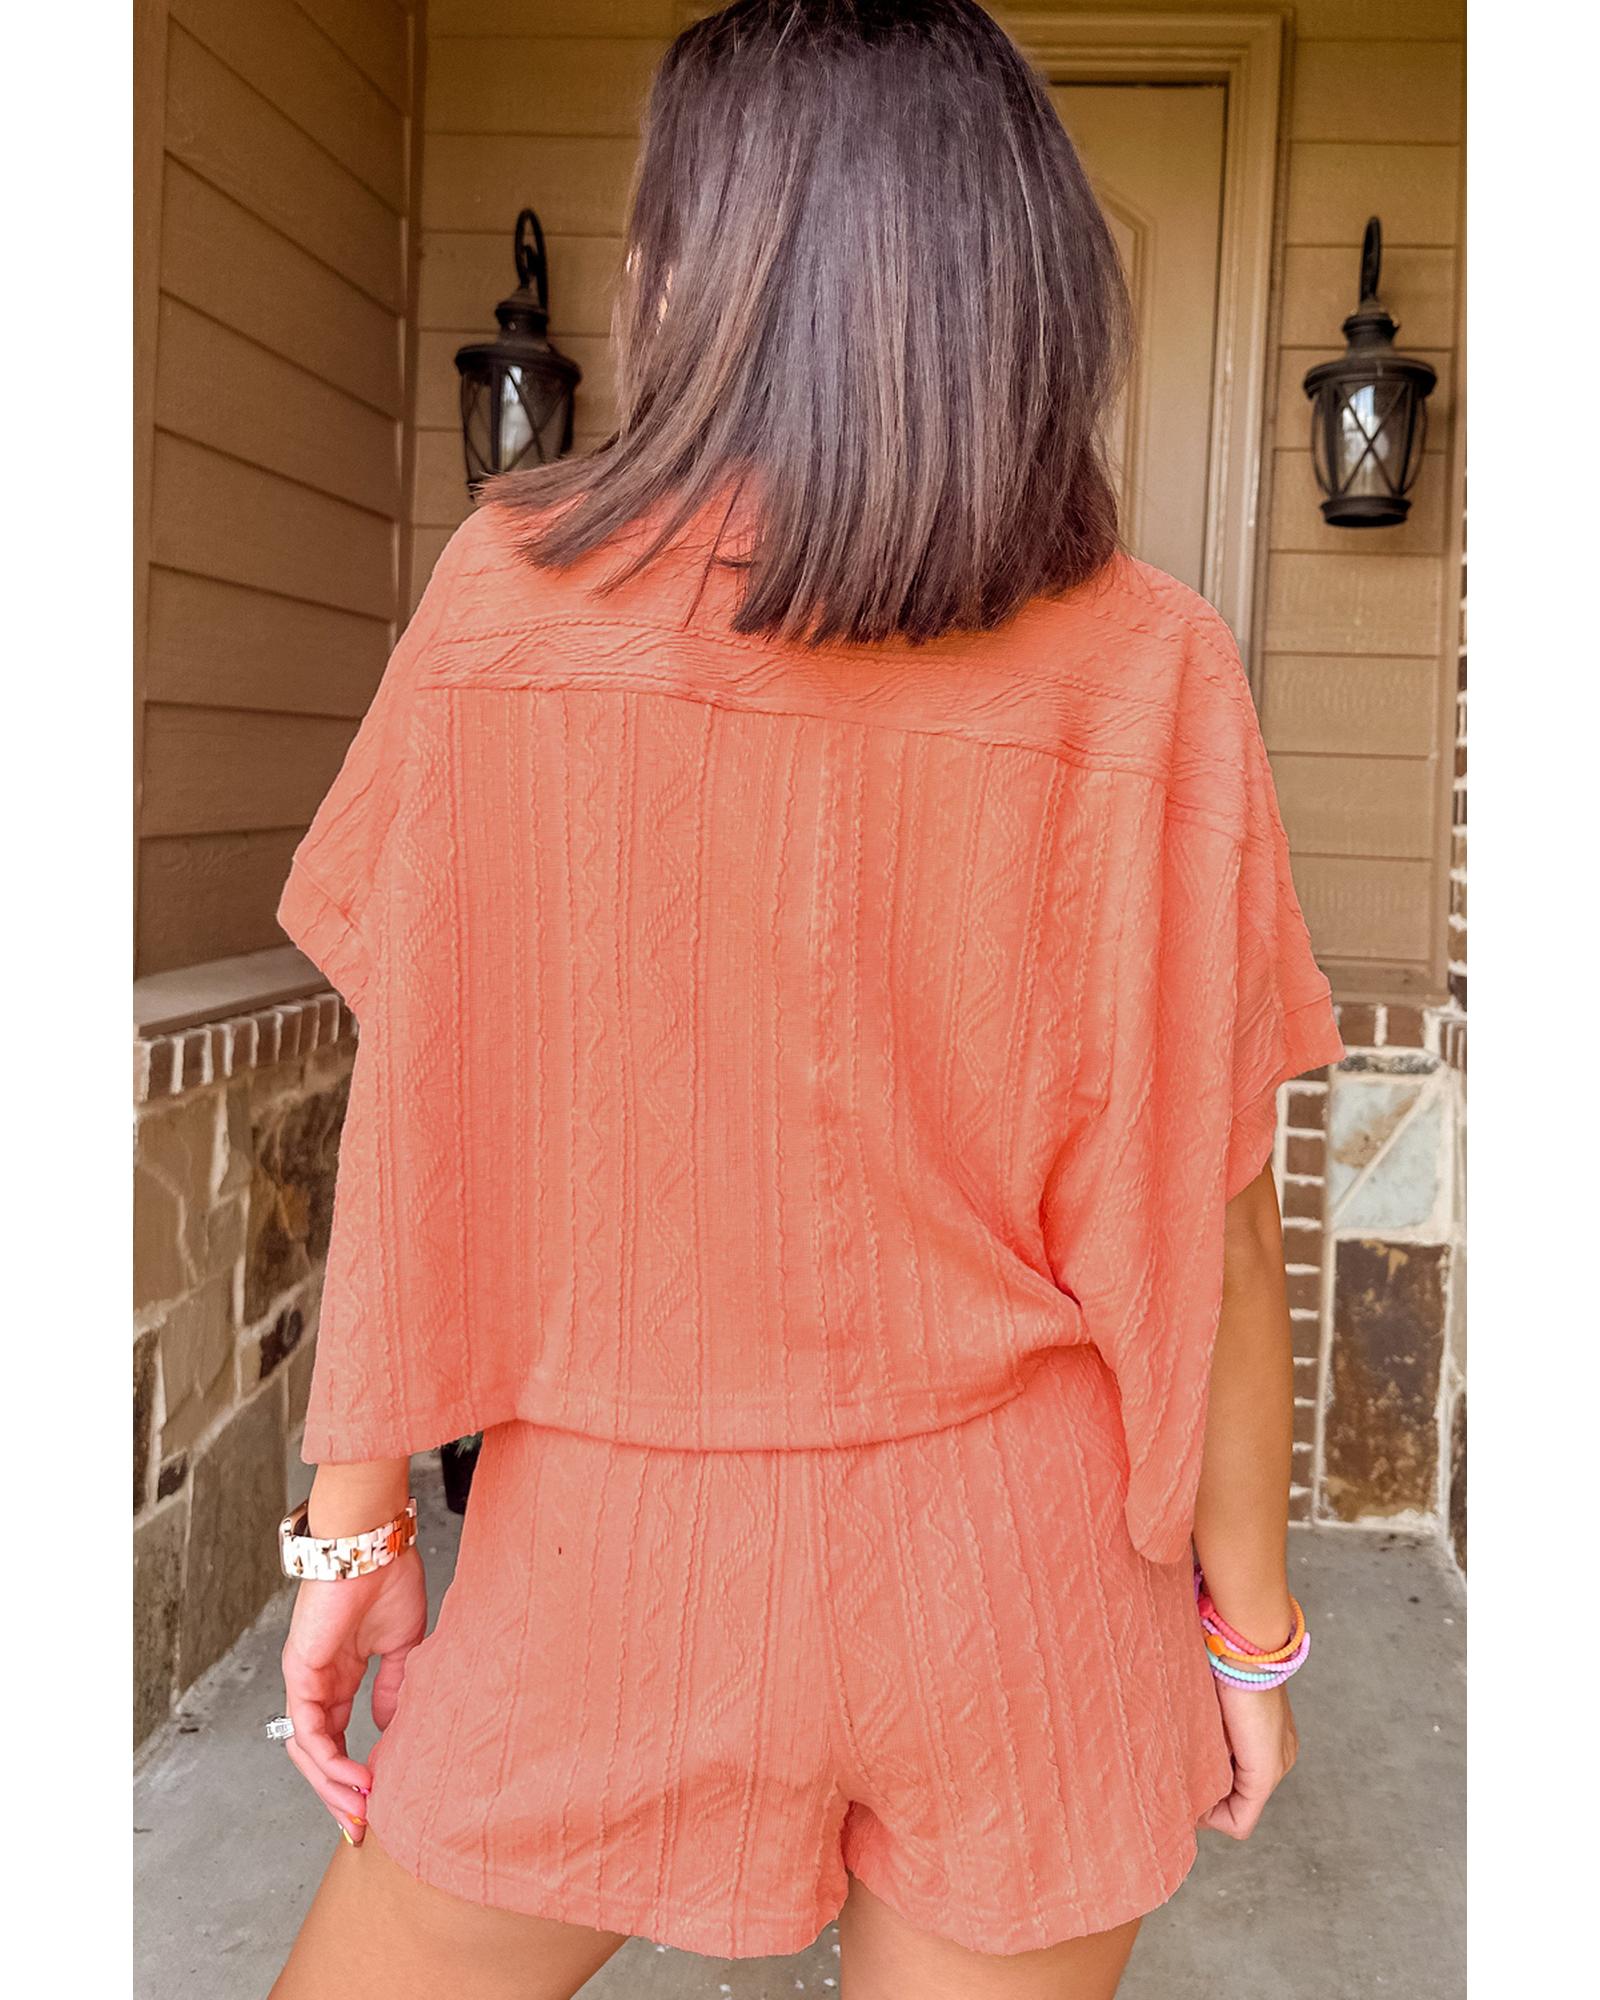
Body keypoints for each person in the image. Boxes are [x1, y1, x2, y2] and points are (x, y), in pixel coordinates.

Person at [267, 4, 1343, 1995]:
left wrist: (355, 1532)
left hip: (611, 1554)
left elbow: (419, 1113)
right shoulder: (1157, 666)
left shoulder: (509, 606)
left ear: (698, 265)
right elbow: (1215, 1227)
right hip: (1020, 1576)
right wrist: (1250, 1637)